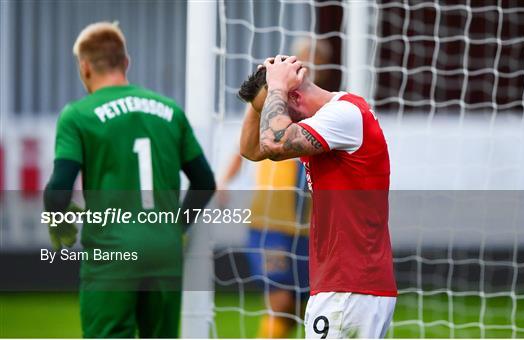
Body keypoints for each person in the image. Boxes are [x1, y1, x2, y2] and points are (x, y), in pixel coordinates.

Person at [43, 22, 215, 338]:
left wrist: (56, 215)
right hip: (164, 251)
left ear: (84, 67)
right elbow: (205, 181)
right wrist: (175, 227)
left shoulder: (79, 115)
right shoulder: (170, 111)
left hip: (113, 252)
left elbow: (58, 191)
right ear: (126, 62)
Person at [237, 55, 397, 338]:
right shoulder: (331, 120)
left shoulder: (342, 115)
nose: (269, 123)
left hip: (348, 288)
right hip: (354, 287)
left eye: (273, 112)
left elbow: (273, 143)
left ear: (294, 97)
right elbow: (251, 150)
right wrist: (265, 89)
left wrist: (275, 88)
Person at [217, 39, 332, 338]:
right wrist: (223, 182)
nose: (312, 63)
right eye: (306, 57)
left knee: (297, 309)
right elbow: (245, 150)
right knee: (280, 301)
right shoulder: (276, 104)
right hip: (270, 223)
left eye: (317, 59)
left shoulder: (319, 110)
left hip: (307, 227)